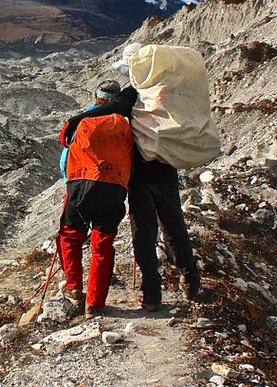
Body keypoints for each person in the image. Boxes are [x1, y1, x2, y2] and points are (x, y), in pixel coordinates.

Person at [62, 44, 201, 312]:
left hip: (137, 177)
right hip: (166, 170)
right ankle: (191, 281)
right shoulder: (164, 92)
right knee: (174, 227)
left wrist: (76, 121)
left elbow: (108, 112)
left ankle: (151, 295)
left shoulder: (132, 95)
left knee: (144, 234)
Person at [57, 79, 132, 318]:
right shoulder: (126, 122)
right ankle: (95, 303)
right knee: (103, 243)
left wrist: (69, 181)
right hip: (114, 188)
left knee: (70, 236)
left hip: (80, 185)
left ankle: (74, 288)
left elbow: (65, 156)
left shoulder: (84, 120)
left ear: (96, 96)